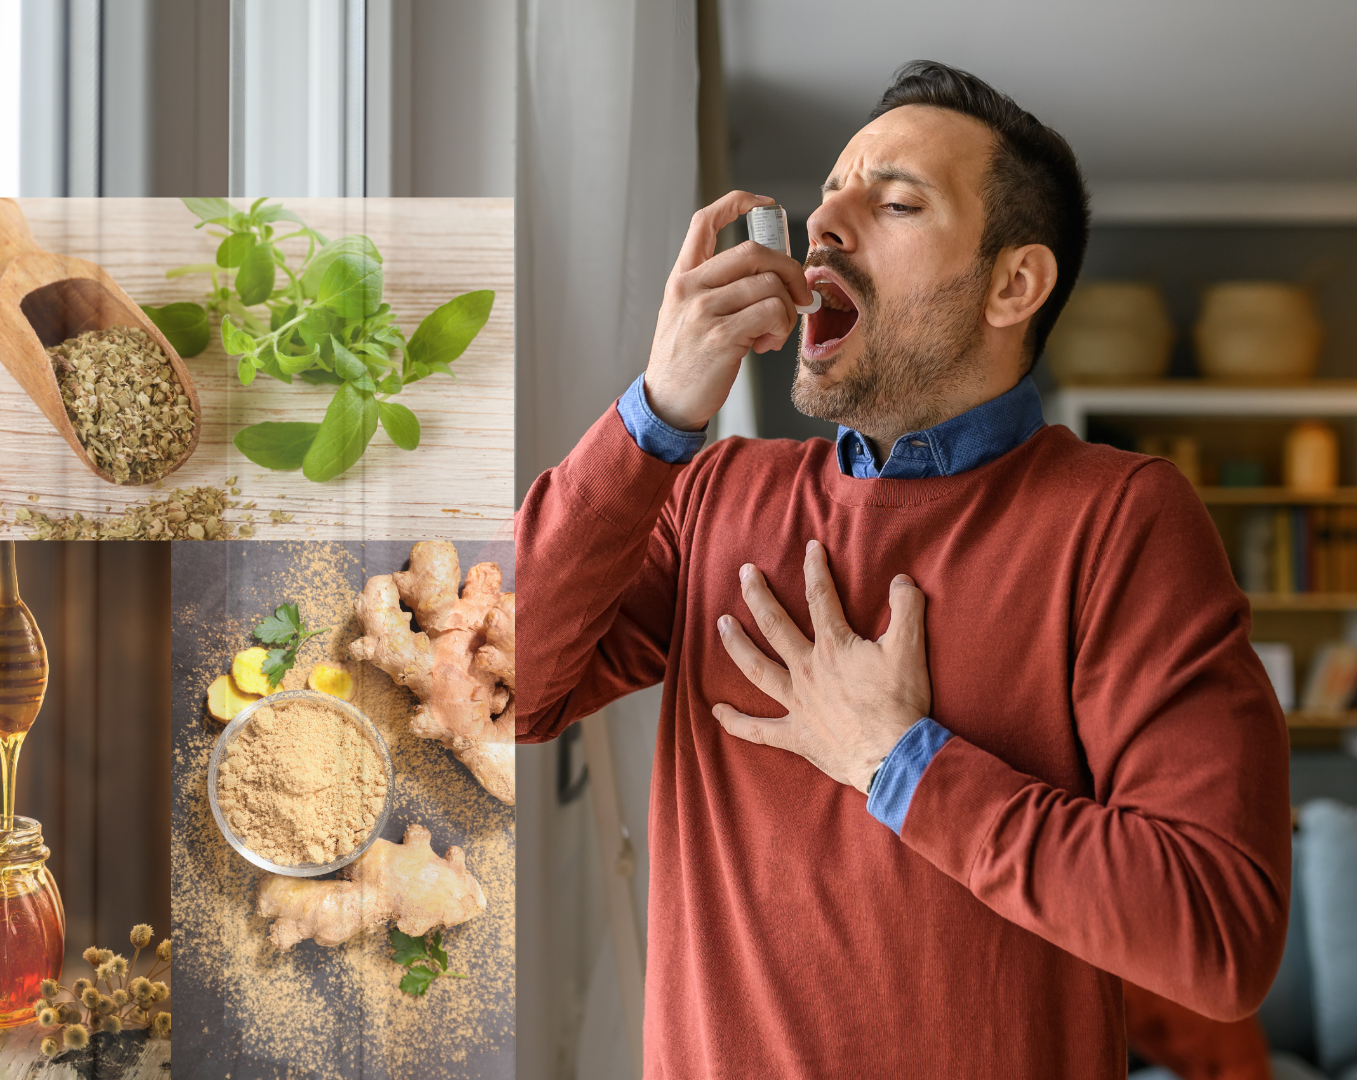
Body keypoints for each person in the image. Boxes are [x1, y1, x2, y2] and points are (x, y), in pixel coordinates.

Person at [519, 60, 1291, 1078]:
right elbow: (496, 680)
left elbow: (1218, 934)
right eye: (831, 193)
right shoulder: (709, 493)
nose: (825, 223)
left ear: (1014, 284)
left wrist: (900, 763)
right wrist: (655, 414)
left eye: (893, 201)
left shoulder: (1119, 520)